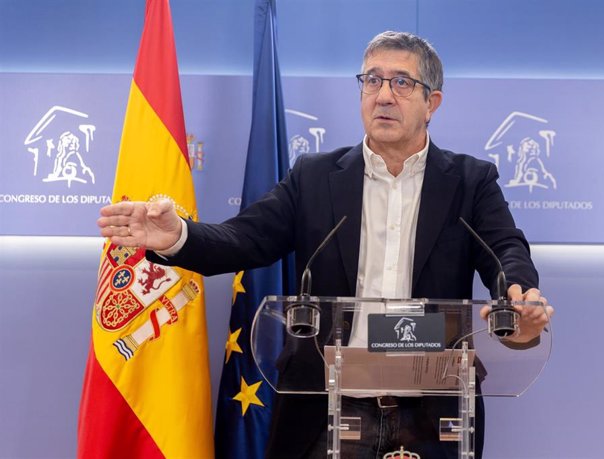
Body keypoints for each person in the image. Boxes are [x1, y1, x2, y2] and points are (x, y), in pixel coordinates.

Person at [99, 31, 553, 459]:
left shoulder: (470, 181)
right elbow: (245, 238)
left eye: (401, 82)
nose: (383, 94)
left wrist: (518, 294)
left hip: (432, 414)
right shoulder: (314, 176)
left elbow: (505, 248)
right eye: (372, 80)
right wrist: (178, 235)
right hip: (327, 406)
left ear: (432, 102)